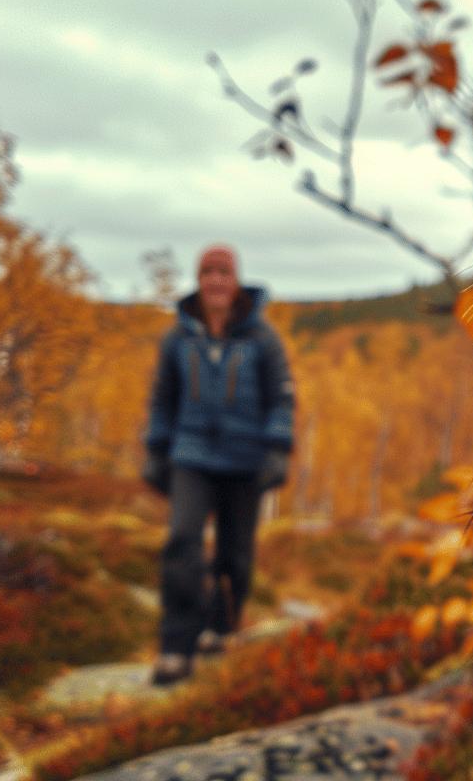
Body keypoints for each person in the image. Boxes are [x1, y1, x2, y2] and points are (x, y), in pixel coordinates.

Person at [141, 244, 294, 685]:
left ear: (236, 279)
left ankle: (219, 629)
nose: (216, 281)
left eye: (223, 272)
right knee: (182, 544)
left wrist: (277, 449)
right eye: (208, 272)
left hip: (245, 459)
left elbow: (281, 398)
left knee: (235, 556)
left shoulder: (262, 338)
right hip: (190, 455)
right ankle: (175, 646)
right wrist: (156, 449)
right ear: (199, 280)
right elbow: (162, 398)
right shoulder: (178, 338)